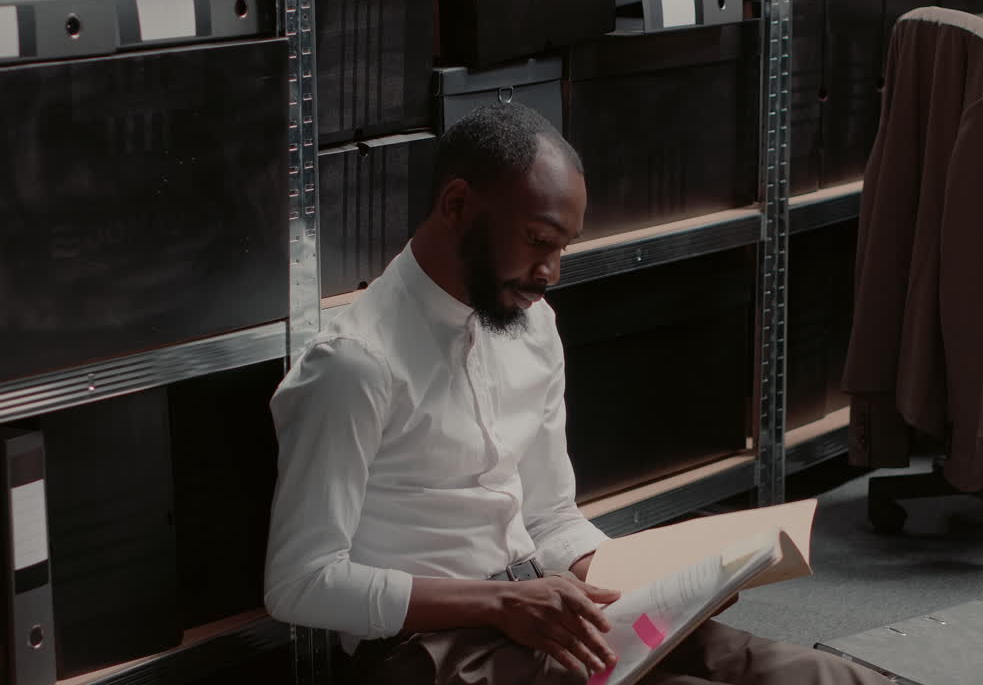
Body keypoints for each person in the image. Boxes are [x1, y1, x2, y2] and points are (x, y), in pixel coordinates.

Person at [263, 102, 892, 685]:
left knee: (814, 677)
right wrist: (504, 602)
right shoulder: (353, 367)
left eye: (563, 247)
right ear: (457, 204)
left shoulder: (532, 327)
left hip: (549, 605)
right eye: (538, 241)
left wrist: (670, 583)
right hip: (434, 652)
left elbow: (550, 518)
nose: (551, 273)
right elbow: (300, 582)